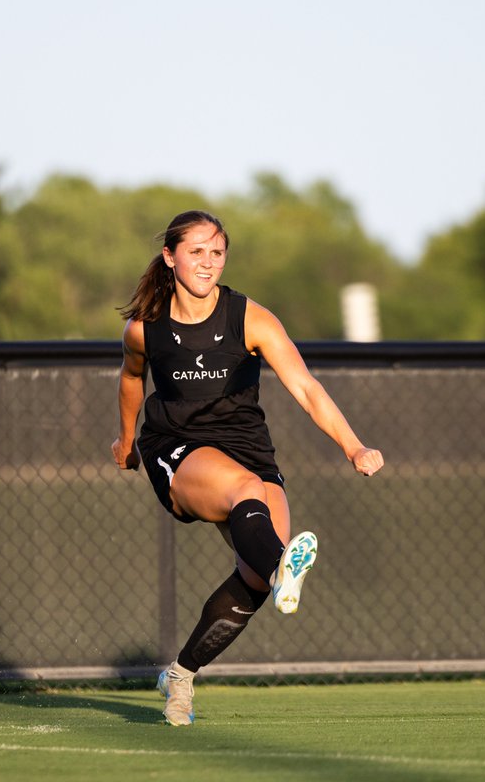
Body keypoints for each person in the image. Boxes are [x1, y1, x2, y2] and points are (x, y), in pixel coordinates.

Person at [111, 210, 384, 727]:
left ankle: (180, 675)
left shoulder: (251, 318)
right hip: (177, 446)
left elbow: (306, 388)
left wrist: (353, 447)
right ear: (170, 257)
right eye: (196, 252)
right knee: (245, 493)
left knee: (256, 579)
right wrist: (126, 443)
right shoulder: (145, 328)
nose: (207, 263)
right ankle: (283, 566)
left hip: (248, 450)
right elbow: (130, 379)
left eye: (217, 253)